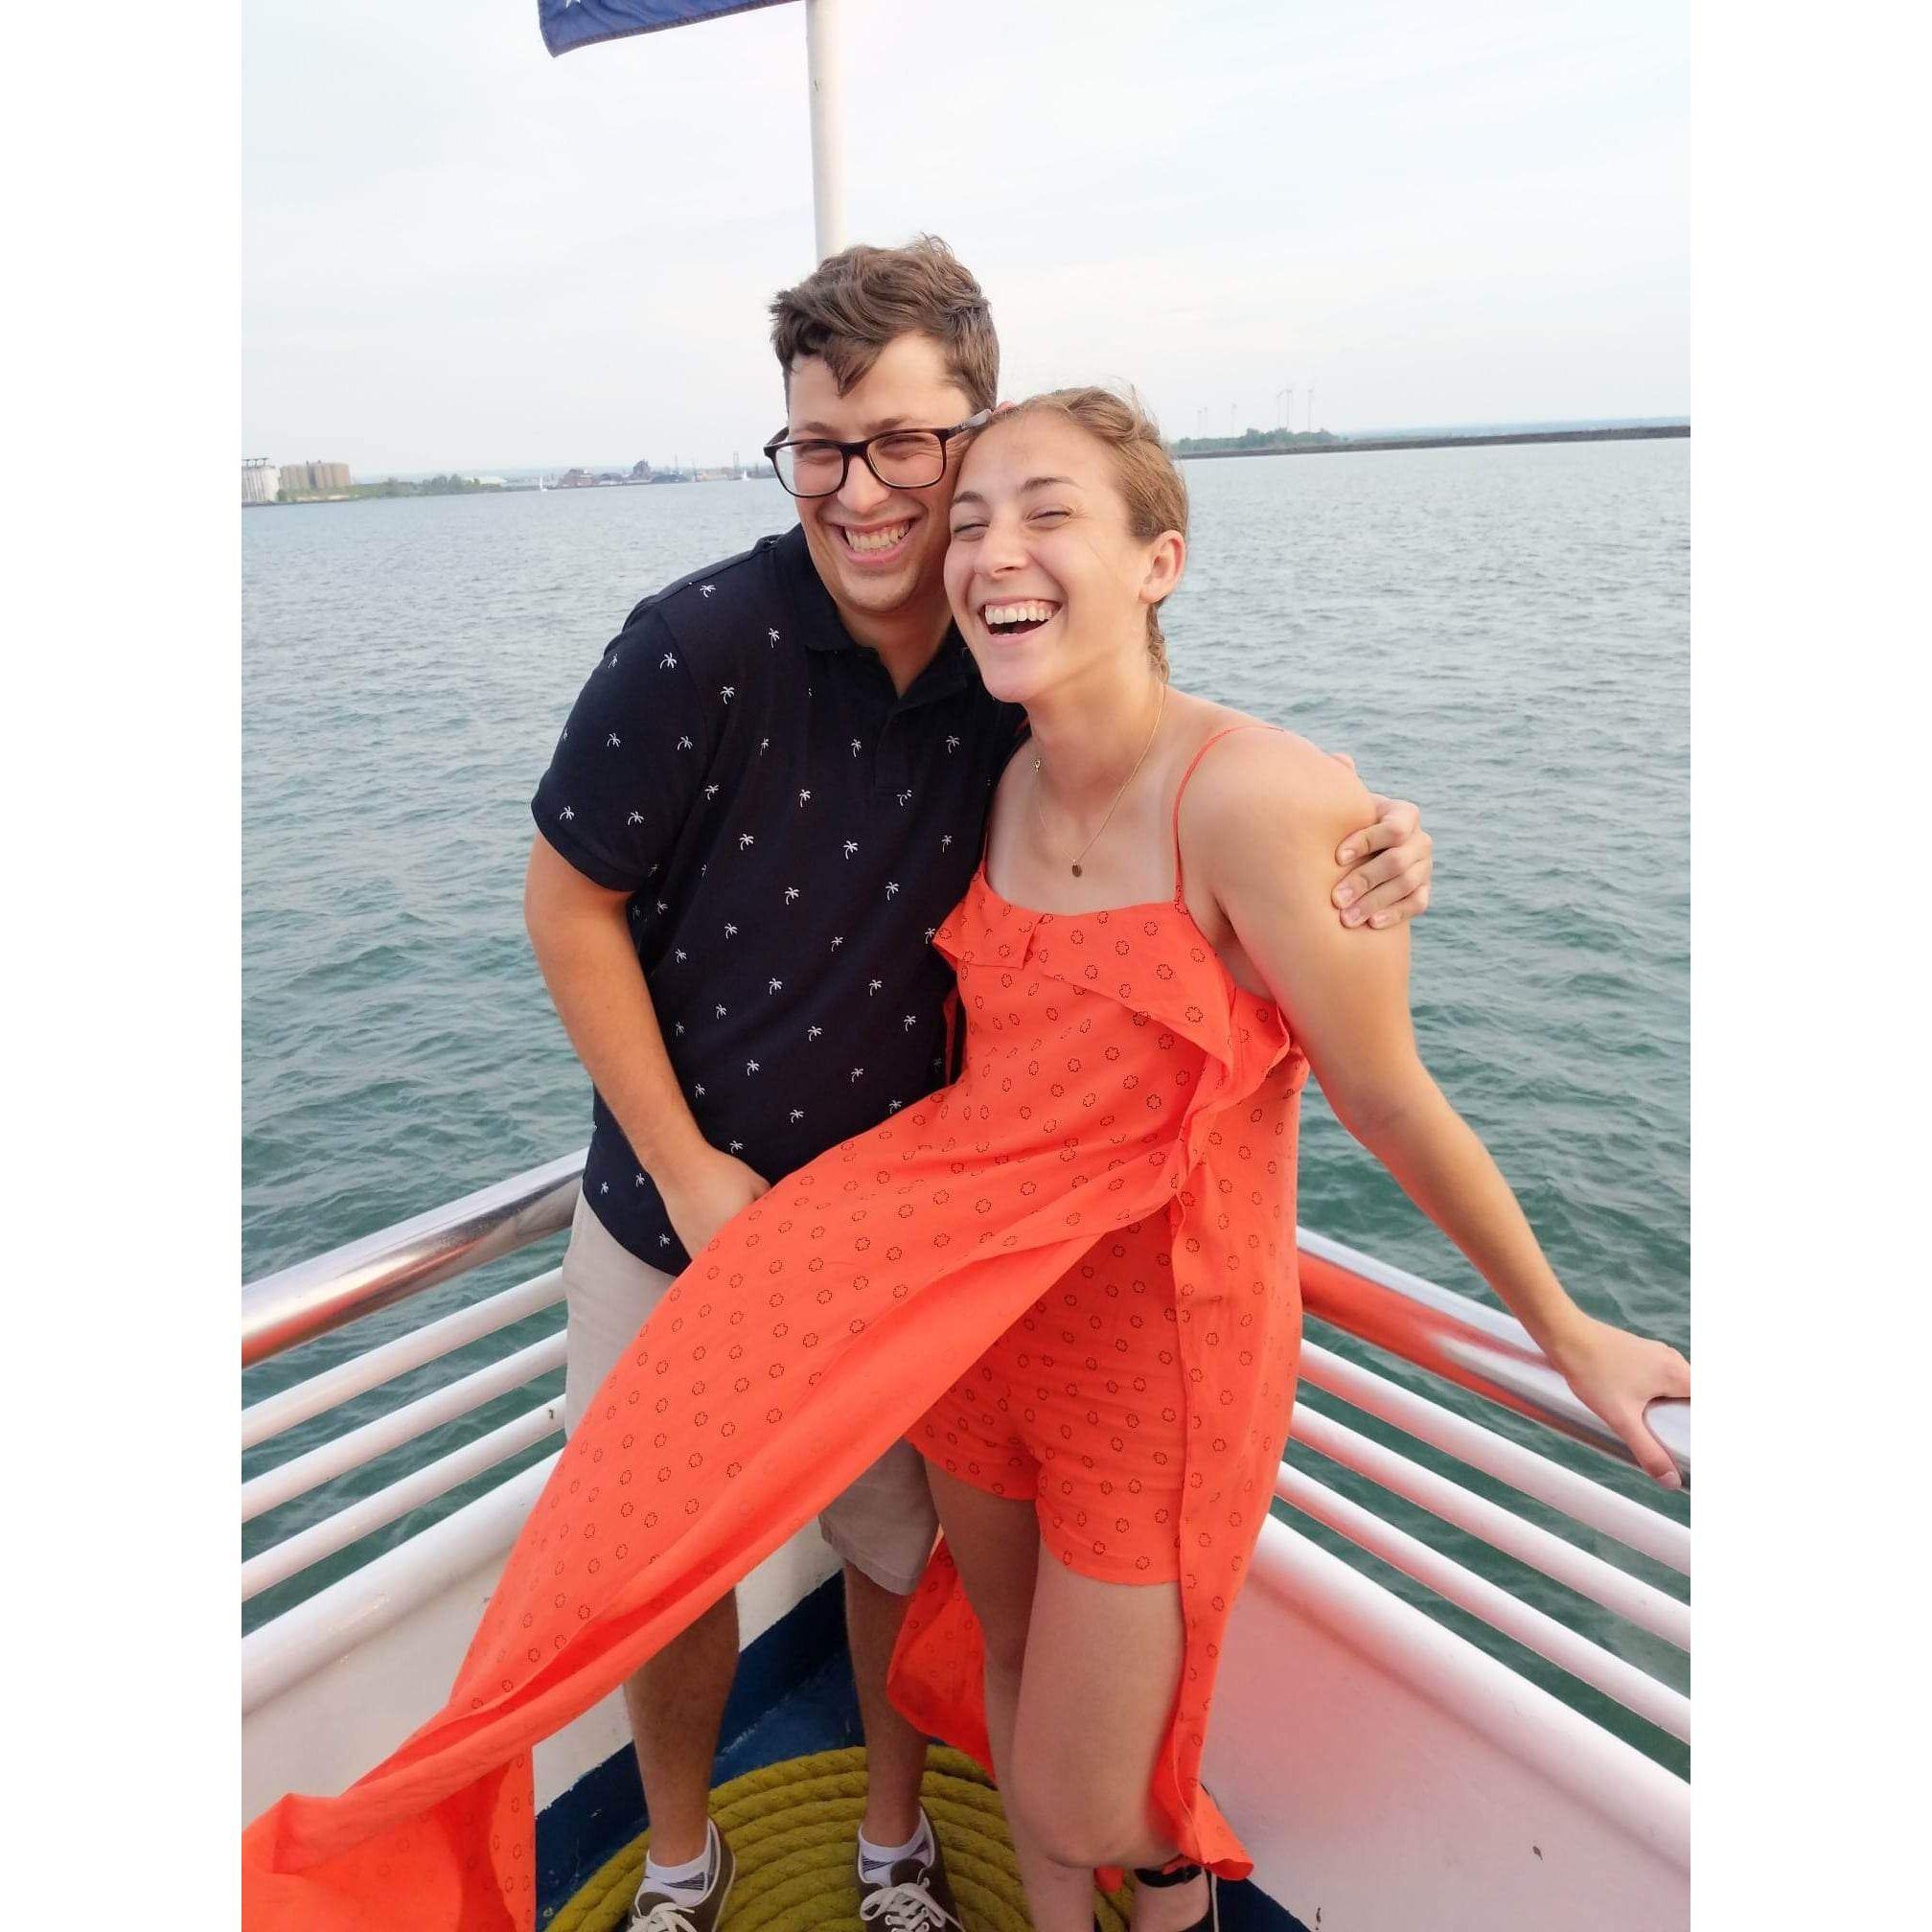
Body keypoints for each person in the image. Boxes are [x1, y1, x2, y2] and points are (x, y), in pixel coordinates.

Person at [519, 240, 1434, 1932]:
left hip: (912, 1248)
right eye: (817, 447)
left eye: (903, 444)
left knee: (891, 1555)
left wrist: (1370, 830)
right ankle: (678, 1864)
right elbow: (565, 901)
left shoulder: (1003, 649)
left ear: (973, 439)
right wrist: (691, 1170)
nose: (861, 492)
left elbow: (1165, 766)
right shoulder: (694, 646)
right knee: (655, 1570)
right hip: (676, 1212)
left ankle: (892, 1842)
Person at [886, 386, 1691, 1932]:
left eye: (1050, 513)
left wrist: (1566, 1330)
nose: (995, 552)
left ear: (1159, 562)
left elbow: (1390, 1099)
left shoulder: (1257, 799)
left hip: (1160, 1373)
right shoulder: (991, 773)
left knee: (1088, 1793)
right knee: (1009, 1671)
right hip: (980, 1339)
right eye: (971, 522)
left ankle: (1169, 1888)